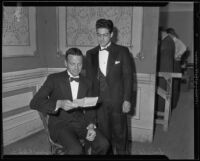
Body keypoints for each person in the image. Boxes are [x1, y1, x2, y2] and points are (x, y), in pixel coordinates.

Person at [30, 48, 109, 155]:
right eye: (72, 64)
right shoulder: (54, 79)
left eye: (79, 64)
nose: (76, 68)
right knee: (76, 150)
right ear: (65, 63)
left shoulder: (87, 82)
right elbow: (34, 102)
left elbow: (90, 108)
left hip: (81, 123)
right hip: (60, 125)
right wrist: (59, 103)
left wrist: (91, 126)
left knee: (103, 144)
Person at [85, 19, 133, 154]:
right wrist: (89, 104)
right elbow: (89, 82)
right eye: (99, 35)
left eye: (105, 34)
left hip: (118, 102)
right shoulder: (90, 53)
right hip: (99, 104)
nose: (101, 38)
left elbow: (128, 77)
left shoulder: (122, 51)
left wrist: (127, 99)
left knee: (120, 137)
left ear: (111, 34)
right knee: (105, 140)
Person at [156, 27, 176, 112]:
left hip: (164, 69)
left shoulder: (166, 41)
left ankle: (161, 111)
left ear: (161, 32)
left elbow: (158, 53)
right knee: (165, 91)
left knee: (162, 91)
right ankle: (164, 111)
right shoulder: (169, 40)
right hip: (167, 68)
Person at [166, 27, 186, 108]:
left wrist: (177, 55)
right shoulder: (172, 41)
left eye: (168, 35)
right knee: (173, 85)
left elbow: (184, 48)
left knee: (175, 85)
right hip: (173, 64)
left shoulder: (176, 41)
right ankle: (172, 104)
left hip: (176, 64)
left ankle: (173, 105)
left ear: (170, 34)